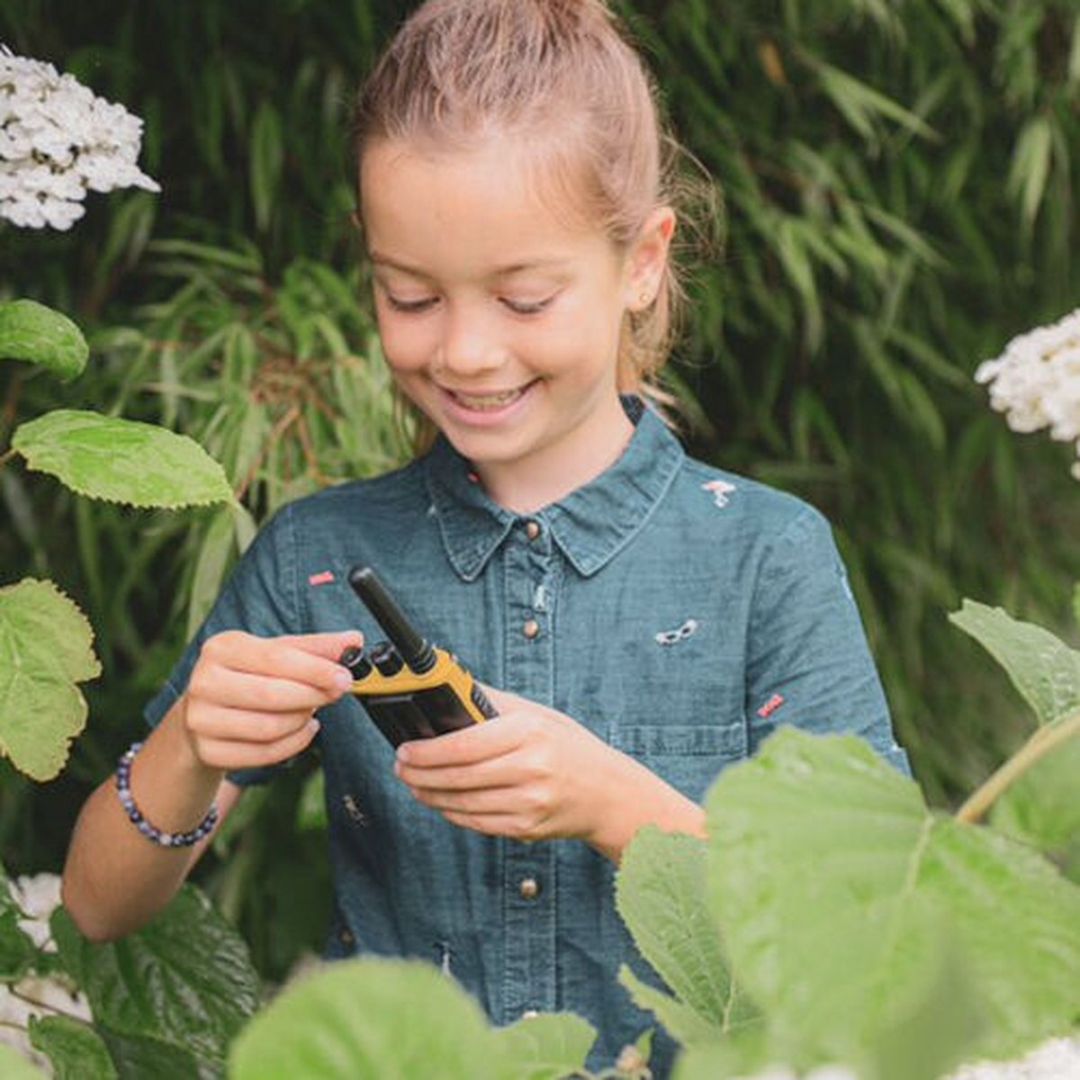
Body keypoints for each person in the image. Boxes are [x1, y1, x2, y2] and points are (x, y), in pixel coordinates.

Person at [62, 1, 910, 1074]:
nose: (464, 351)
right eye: (407, 296)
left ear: (643, 261)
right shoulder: (316, 553)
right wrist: (188, 743)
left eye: (523, 298)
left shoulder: (766, 560)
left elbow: (873, 931)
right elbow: (96, 907)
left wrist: (617, 806)